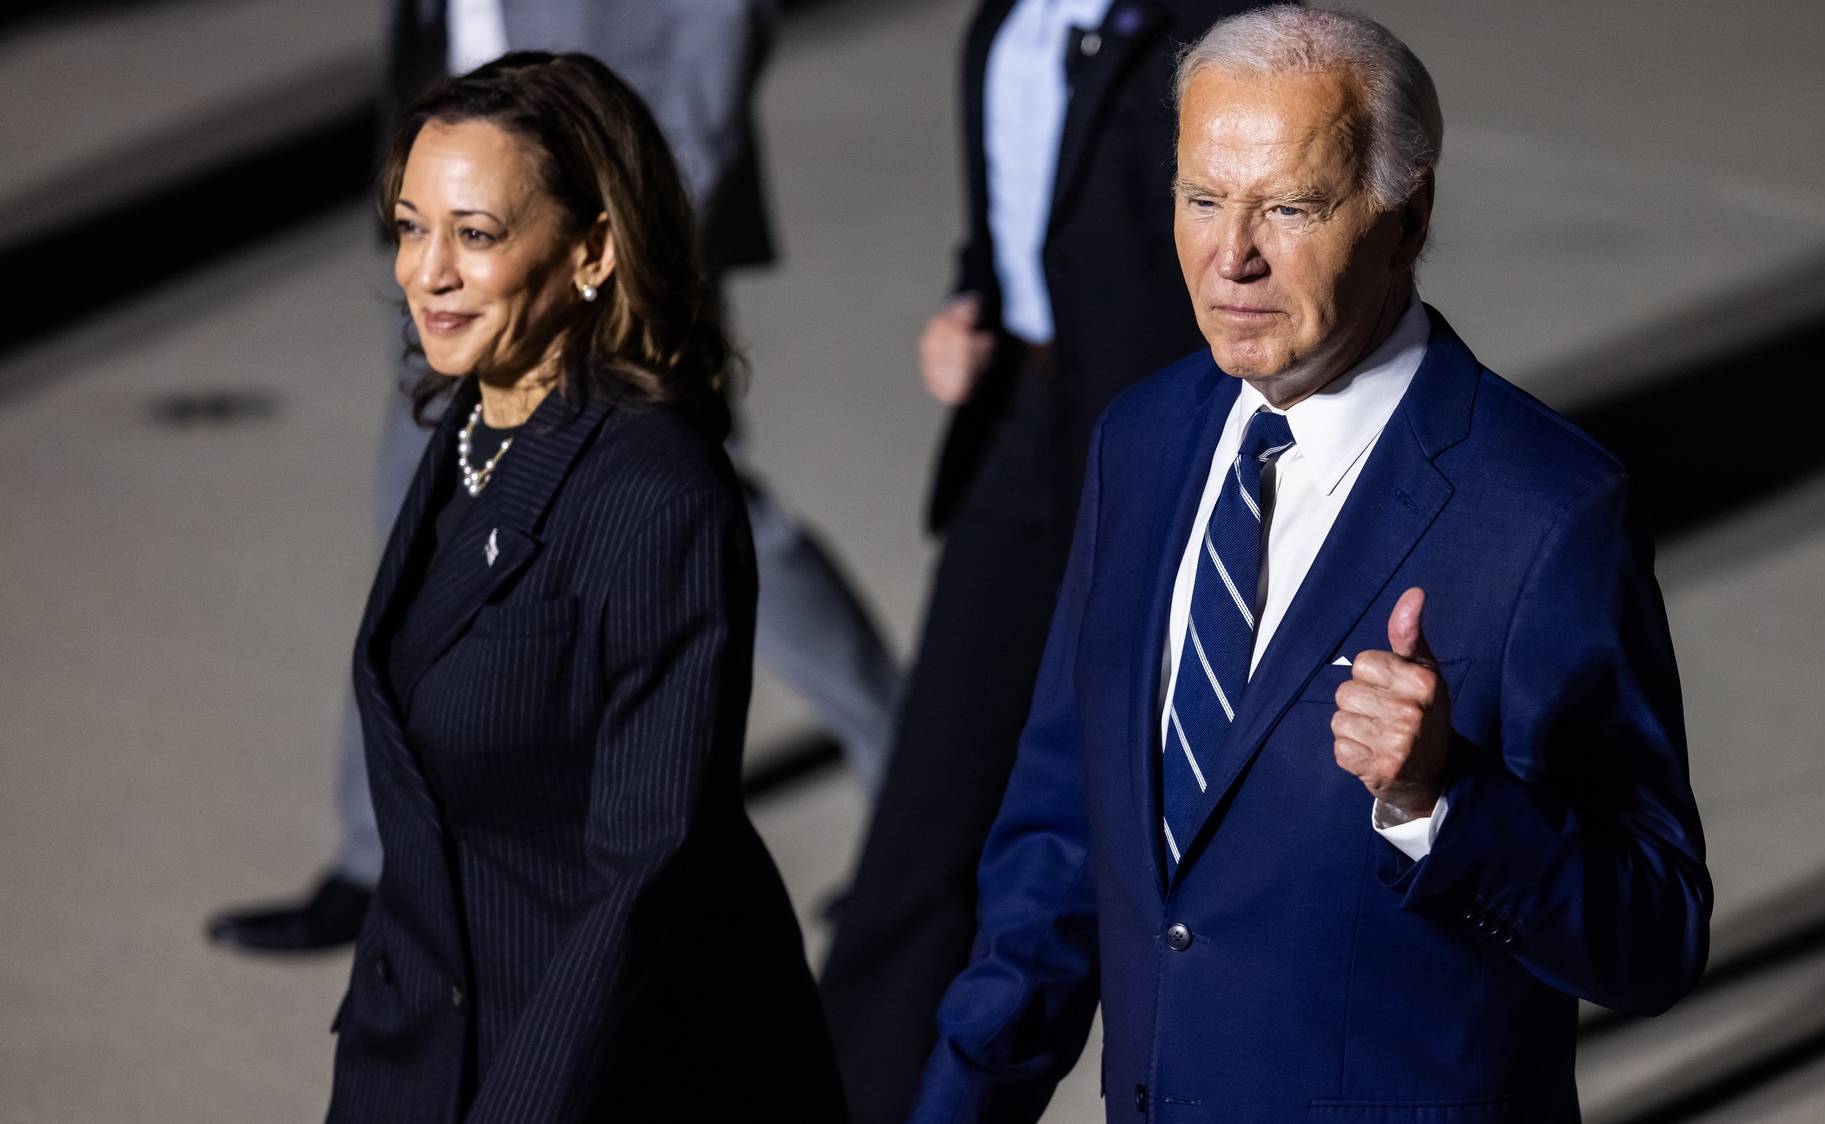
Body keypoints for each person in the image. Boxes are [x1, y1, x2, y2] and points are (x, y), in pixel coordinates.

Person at [908, 8, 1713, 1121]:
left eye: (1288, 207)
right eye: (1202, 199)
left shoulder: (1541, 512)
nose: (1230, 256)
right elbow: (1058, 842)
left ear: (1407, 212)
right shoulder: (1140, 440)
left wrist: (1438, 802)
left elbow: (1654, 934)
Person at [209, 0, 901, 954]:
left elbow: (712, 42)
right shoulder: (430, 257)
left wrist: (642, 249)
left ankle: (906, 769)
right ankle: (380, 858)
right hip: (456, 199)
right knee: (417, 535)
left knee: (696, 514)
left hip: (583, 241)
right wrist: (426, 222)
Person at [324, 53, 843, 1121]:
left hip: (581, 1068)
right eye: (412, 224)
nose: (426, 271)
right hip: (421, 1036)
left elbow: (646, 866)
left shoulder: (653, 494)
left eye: (476, 234)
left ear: (594, 249)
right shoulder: (477, 418)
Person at [816, 4, 1264, 1118]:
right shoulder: (1007, 18)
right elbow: (1025, 218)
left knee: (1173, 842)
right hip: (1018, 427)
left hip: (1159, 450)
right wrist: (970, 303)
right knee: (931, 801)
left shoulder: (1215, 28)